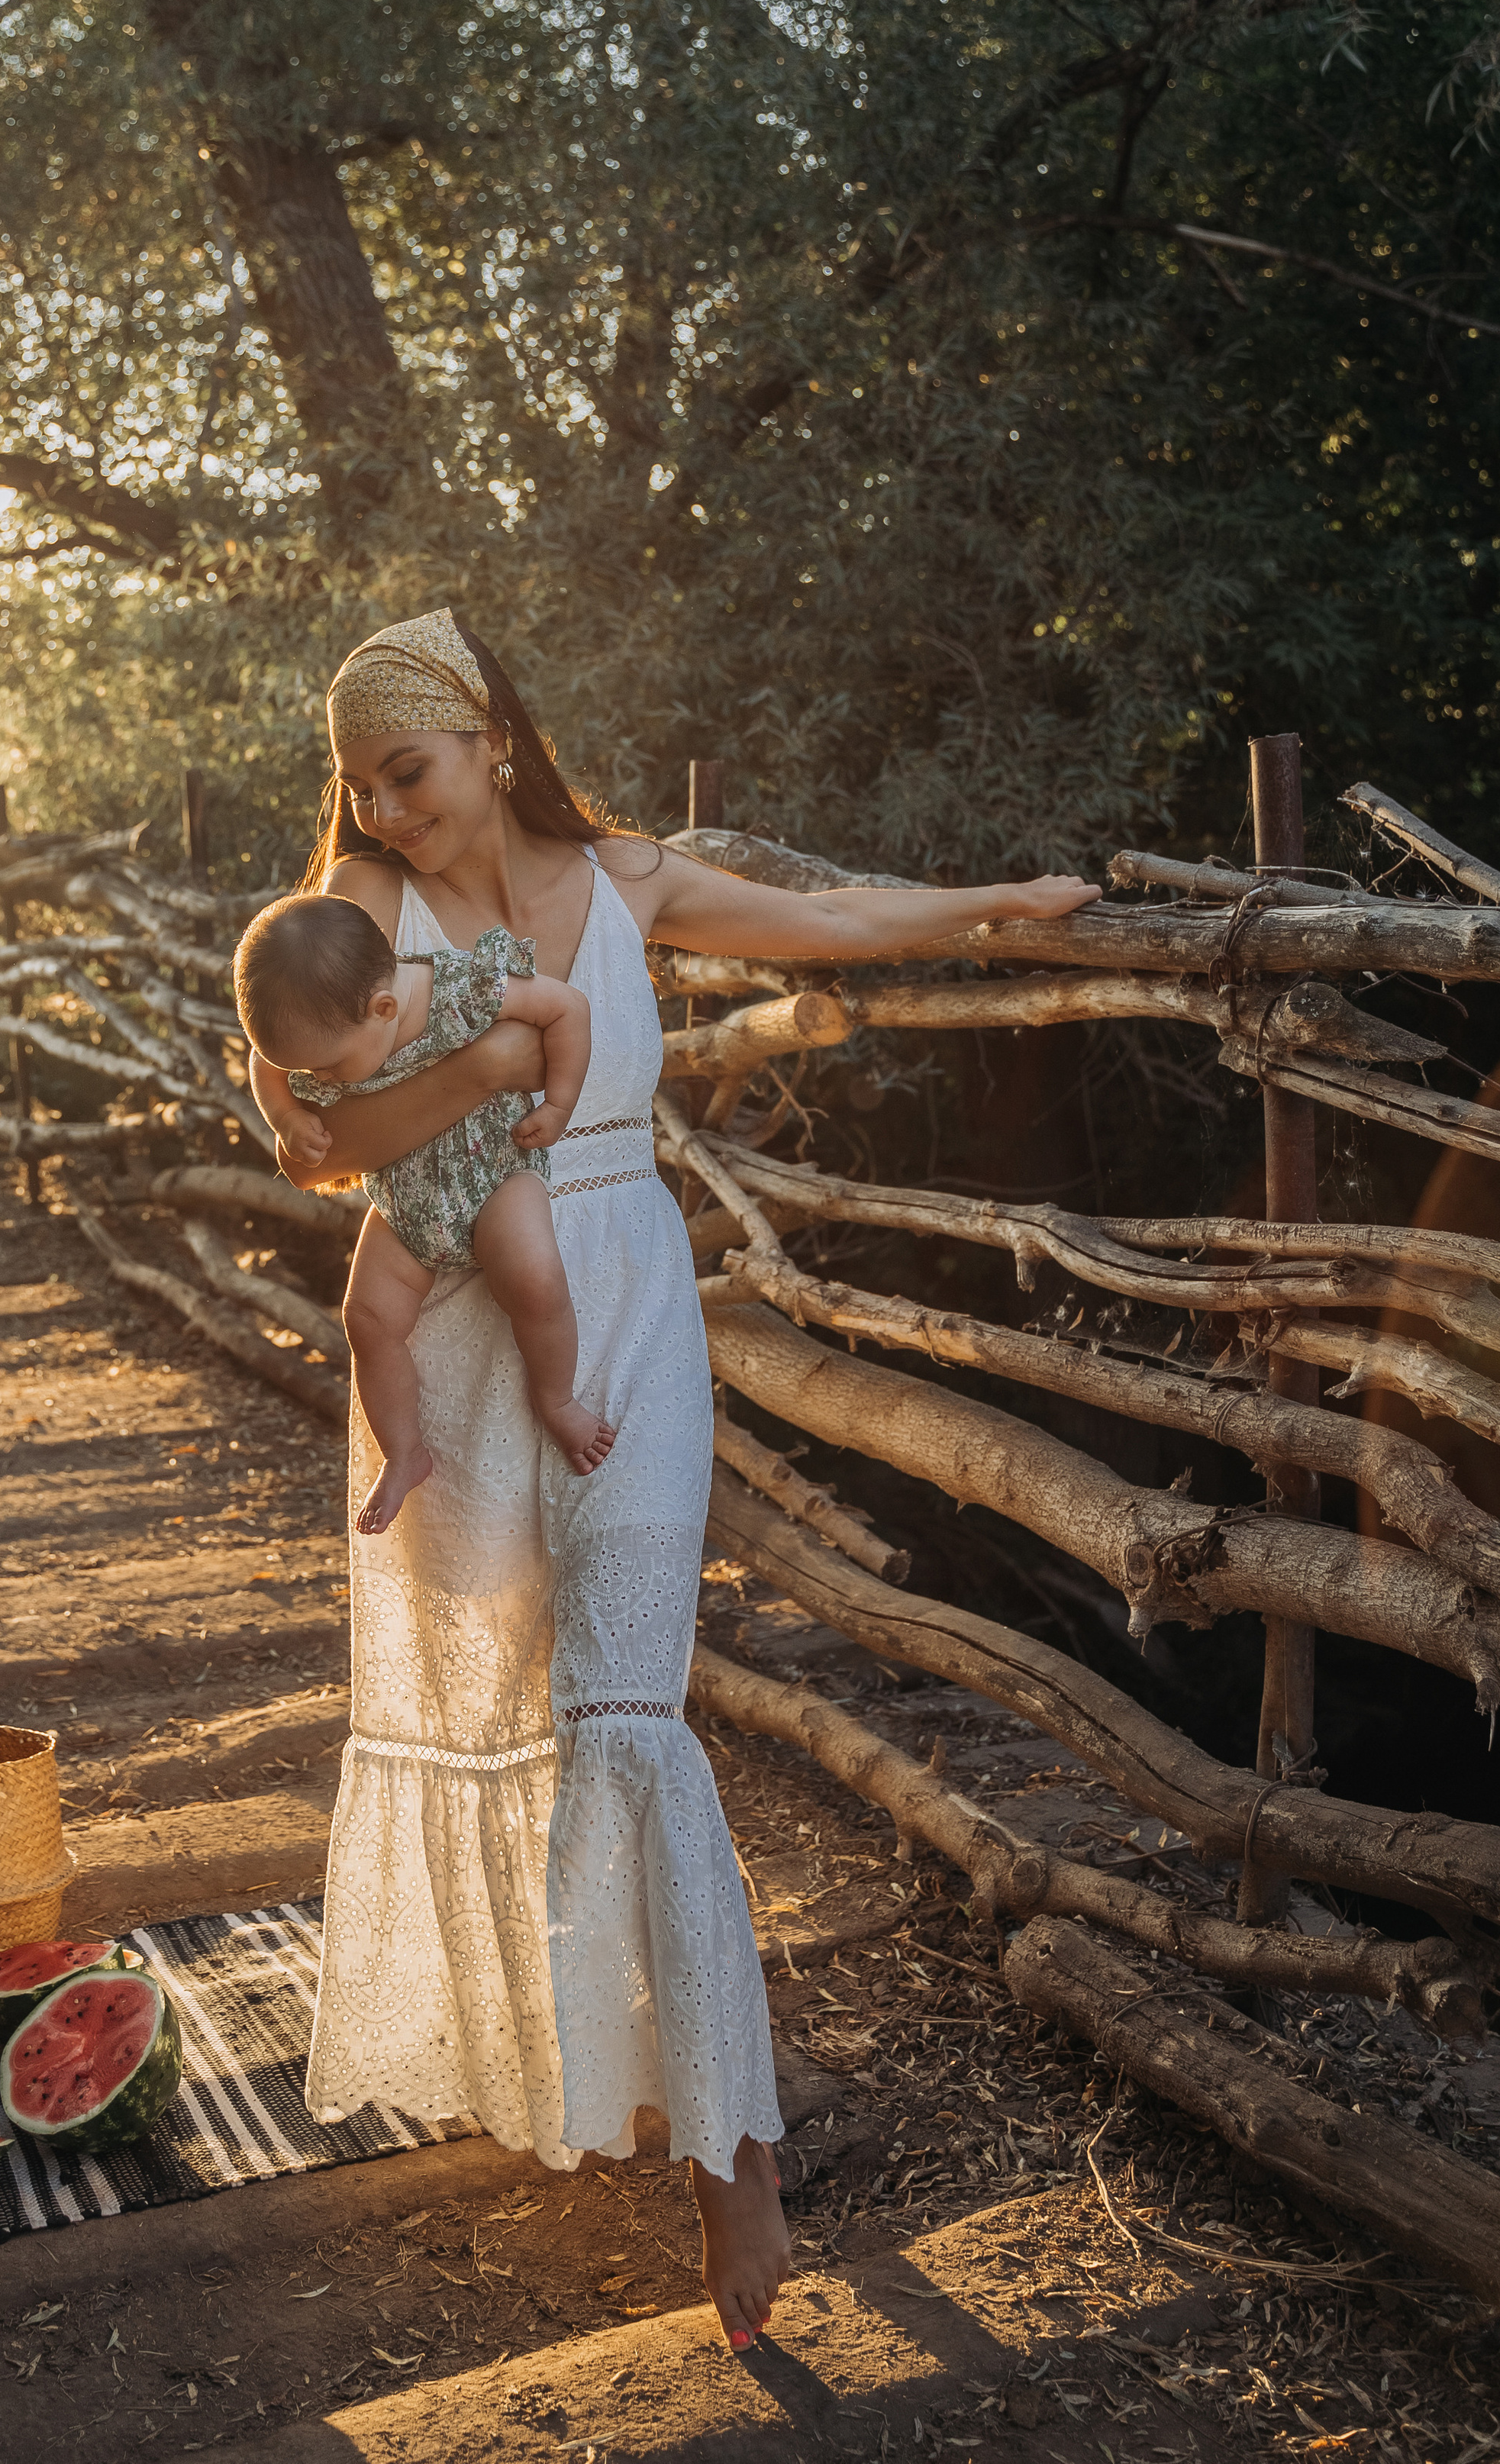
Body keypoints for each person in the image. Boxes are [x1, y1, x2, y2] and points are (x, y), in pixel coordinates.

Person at [270, 608, 1100, 2354]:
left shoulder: (634, 879)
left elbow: (834, 921)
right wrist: (456, 1079)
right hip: (468, 1333)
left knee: (634, 1702)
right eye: (358, 785)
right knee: (526, 1711)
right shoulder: (368, 918)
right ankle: (584, 2060)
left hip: (629, 1307)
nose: (385, 808)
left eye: (405, 773)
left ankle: (737, 2161)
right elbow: (314, 1123)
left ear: (491, 734)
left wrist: (993, 908)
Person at [234, 893, 617, 1533]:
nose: (314, 1079)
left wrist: (558, 1104)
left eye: (323, 1068)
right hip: (405, 1201)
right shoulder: (320, 1020)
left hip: (495, 1171)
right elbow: (264, 1065)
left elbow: (566, 1008)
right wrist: (288, 1116)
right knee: (366, 1317)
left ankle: (558, 1399)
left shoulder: (462, 987)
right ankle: (404, 1451)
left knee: (534, 1277)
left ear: (383, 1009)